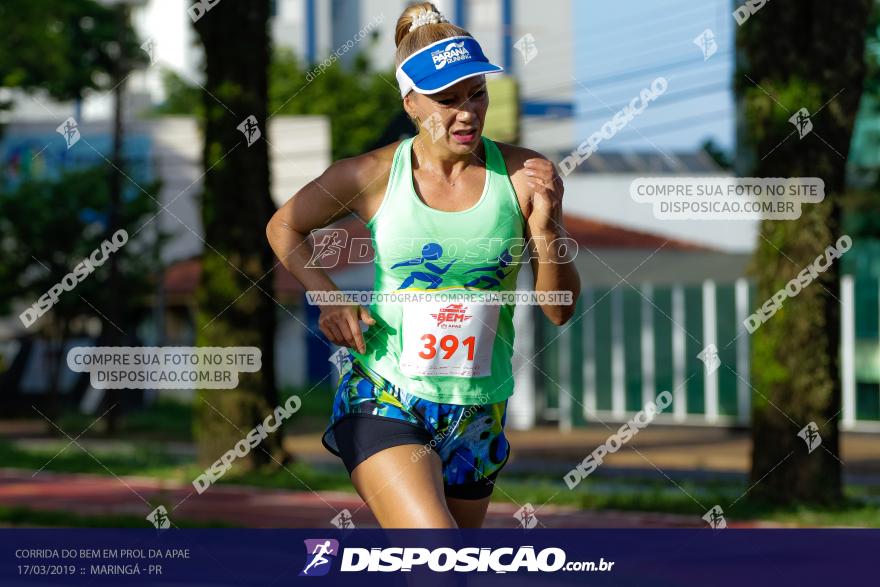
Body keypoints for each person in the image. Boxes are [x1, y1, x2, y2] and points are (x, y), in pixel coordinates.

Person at [266, 1, 580, 528]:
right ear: (410, 102)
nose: (467, 112)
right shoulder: (369, 173)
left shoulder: (527, 176)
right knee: (436, 555)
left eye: (477, 93)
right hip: (386, 393)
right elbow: (284, 226)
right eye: (446, 99)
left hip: (478, 410)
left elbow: (559, 312)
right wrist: (328, 293)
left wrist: (547, 231)